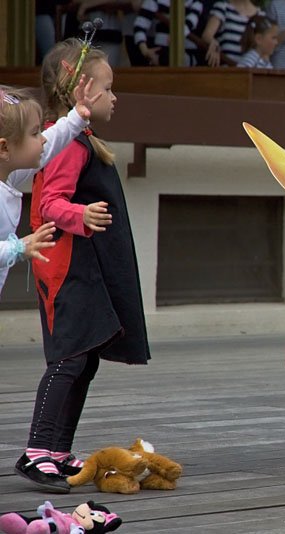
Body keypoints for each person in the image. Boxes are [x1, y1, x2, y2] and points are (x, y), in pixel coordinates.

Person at [15, 39, 151, 494]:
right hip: (67, 270)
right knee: (68, 359)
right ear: (85, 91)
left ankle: (57, 449)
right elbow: (49, 202)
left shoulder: (82, 140)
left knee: (85, 359)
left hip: (86, 269)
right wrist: (82, 215)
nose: (115, 98)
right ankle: (37, 450)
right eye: (109, 88)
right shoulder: (67, 142)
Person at [0, 81, 97, 298]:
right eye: (35, 133)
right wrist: (18, 248)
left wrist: (76, 118)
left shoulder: (7, 174)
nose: (43, 139)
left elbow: (49, 147)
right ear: (4, 148)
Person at [133, 0, 205, 66]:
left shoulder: (196, 2)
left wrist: (176, 35)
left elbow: (190, 22)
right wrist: (145, 50)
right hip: (161, 52)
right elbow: (140, 25)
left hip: (187, 52)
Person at [202, 0, 264, 67]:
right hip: (226, 72)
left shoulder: (261, 15)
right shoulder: (223, 6)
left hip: (252, 72)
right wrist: (213, 43)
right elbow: (207, 35)